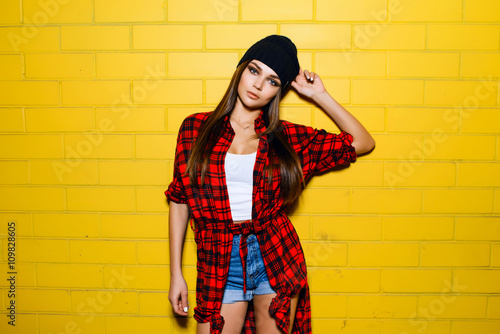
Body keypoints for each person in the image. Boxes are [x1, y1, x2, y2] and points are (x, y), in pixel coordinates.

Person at [166, 35, 375, 334]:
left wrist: (319, 95)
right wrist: (177, 274)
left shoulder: (287, 138)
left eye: (273, 80)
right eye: (254, 70)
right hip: (218, 256)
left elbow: (362, 142)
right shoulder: (195, 128)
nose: (258, 85)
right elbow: (179, 199)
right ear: (240, 70)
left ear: (279, 90)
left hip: (274, 254)